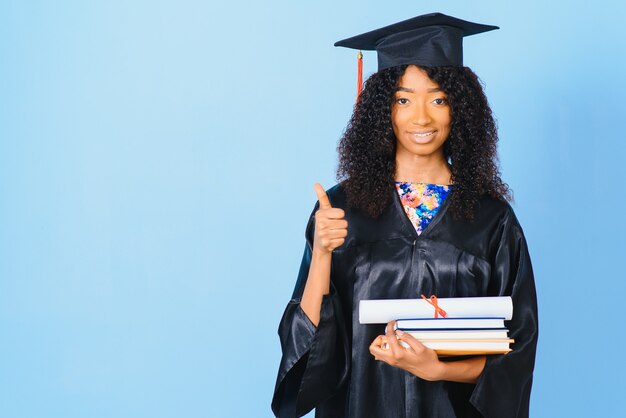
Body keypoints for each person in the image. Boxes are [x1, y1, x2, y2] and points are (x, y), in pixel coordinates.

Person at [271, 12, 538, 418]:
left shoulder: (492, 220)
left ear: (460, 108)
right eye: (403, 99)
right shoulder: (341, 208)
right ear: (382, 110)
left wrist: (435, 369)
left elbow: (516, 351)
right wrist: (322, 254)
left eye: (438, 98)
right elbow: (307, 351)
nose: (421, 118)